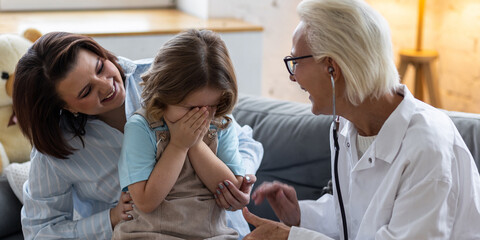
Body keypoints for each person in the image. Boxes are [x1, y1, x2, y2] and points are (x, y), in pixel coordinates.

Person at [242, 0, 480, 239]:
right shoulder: (345, 126)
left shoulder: (428, 149)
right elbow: (357, 220)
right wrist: (301, 216)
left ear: (332, 67)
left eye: (295, 62)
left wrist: (290, 237)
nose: (293, 77)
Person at [13, 31, 263, 239]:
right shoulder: (57, 148)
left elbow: (241, 139)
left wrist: (239, 179)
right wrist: (109, 219)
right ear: (65, 106)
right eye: (86, 91)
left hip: (220, 230)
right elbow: (40, 232)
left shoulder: (162, 78)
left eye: (101, 67)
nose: (107, 85)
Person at [112, 29, 245, 239]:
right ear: (162, 95)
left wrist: (195, 144)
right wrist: (178, 146)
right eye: (190, 107)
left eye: (210, 106)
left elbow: (229, 192)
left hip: (212, 234)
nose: (201, 116)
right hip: (149, 234)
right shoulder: (141, 127)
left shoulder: (220, 124)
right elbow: (146, 202)